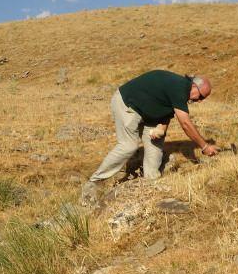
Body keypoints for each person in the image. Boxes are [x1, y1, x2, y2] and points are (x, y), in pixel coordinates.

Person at [81, 70, 221, 206]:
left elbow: (167, 112)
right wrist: (204, 146)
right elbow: (185, 124)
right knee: (128, 145)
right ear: (194, 86)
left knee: (155, 148)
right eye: (201, 96)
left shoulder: (181, 90)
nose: (200, 101)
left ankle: (149, 186)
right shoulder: (180, 87)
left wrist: (161, 129)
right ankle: (95, 181)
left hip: (148, 113)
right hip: (128, 104)